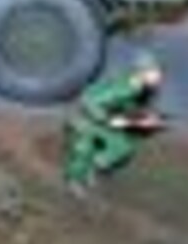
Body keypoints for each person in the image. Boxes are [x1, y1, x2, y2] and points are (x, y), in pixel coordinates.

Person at [63, 57, 166, 196]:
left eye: (159, 73)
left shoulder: (139, 87)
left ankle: (93, 168)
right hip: (85, 119)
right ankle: (75, 180)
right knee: (84, 149)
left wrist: (145, 117)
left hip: (102, 119)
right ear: (142, 72)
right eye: (155, 73)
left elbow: (131, 107)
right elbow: (89, 101)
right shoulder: (123, 89)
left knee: (122, 146)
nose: (159, 78)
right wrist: (110, 120)